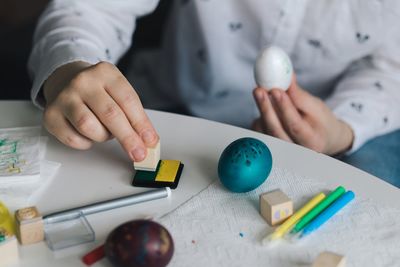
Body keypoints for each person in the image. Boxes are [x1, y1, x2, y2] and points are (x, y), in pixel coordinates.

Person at [29, 1, 400, 186]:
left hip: (349, 115)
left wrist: (343, 128)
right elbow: (92, 8)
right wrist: (69, 68)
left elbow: (392, 67)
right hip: (179, 99)